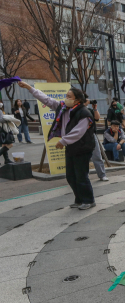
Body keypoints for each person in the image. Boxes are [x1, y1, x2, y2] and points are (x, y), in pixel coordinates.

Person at [18, 81, 96, 209]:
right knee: (70, 176)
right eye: (66, 96)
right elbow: (46, 99)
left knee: (81, 175)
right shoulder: (62, 107)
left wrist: (63, 141)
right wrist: (29, 88)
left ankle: (89, 200)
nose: (66, 98)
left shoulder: (84, 113)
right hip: (71, 147)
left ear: (77, 100)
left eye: (69, 97)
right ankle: (79, 199)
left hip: (82, 147)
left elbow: (78, 132)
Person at [84, 93, 108, 181]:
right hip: (80, 136)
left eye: (87, 99)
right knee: (83, 157)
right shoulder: (75, 110)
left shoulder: (89, 110)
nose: (87, 101)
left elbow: (97, 118)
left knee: (97, 155)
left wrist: (95, 109)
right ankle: (84, 176)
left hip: (91, 134)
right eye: (85, 99)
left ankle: (102, 175)